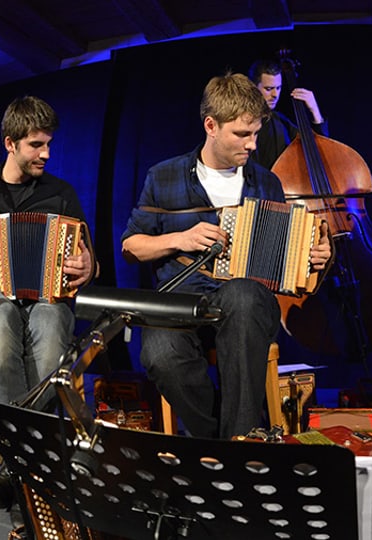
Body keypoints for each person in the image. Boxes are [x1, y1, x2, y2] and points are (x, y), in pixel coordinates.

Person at [121, 73, 332, 439]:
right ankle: (220, 438)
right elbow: (131, 247)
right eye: (242, 134)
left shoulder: (266, 182)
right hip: (181, 298)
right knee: (160, 355)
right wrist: (180, 238)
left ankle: (241, 442)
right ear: (211, 126)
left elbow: (286, 262)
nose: (252, 144)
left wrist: (313, 257)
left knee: (243, 294)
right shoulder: (164, 175)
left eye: (256, 134)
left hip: (246, 302)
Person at [0, 95, 95, 512]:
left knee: (48, 325)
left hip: (46, 295)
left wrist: (85, 265)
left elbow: (89, 257)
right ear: (10, 143)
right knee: (2, 315)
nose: (46, 153)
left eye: (48, 144)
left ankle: (25, 460)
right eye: (36, 145)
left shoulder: (60, 193)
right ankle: (20, 459)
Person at [247, 59, 328, 169]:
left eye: (278, 88)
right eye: (269, 89)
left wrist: (314, 110)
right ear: (253, 88)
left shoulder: (281, 122)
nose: (275, 94)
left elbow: (318, 149)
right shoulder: (240, 122)